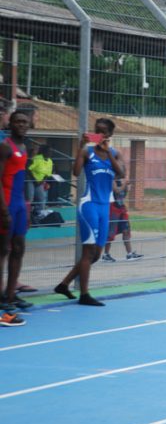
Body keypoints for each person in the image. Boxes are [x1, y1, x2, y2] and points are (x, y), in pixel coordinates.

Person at [54, 118, 124, 306]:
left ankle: (64, 284)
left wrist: (108, 152)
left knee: (96, 254)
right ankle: (84, 295)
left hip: (104, 207)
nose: (99, 134)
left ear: (109, 135)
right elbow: (76, 172)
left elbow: (121, 174)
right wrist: (80, 147)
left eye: (103, 132)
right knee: (88, 252)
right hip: (89, 205)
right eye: (97, 131)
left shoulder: (115, 154)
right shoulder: (88, 152)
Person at [0, 112, 35, 325]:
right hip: (7, 205)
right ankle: (2, 300)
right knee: (3, 250)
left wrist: (26, 209)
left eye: (25, 121)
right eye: (17, 122)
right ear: (10, 124)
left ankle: (10, 295)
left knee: (19, 248)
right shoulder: (5, 147)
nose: (22, 125)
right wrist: (3, 210)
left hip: (20, 204)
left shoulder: (24, 148)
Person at [101, 178, 143, 262]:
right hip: (112, 209)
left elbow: (122, 195)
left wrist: (127, 187)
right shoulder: (111, 180)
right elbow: (117, 191)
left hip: (121, 209)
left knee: (126, 230)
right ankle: (106, 254)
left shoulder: (121, 181)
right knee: (110, 233)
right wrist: (124, 185)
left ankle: (129, 254)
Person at [28, 144, 54, 217]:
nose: (50, 153)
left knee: (41, 198)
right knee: (30, 197)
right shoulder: (37, 158)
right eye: (49, 151)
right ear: (44, 151)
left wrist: (42, 181)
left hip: (40, 181)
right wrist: (35, 180)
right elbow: (29, 169)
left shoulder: (50, 161)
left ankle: (38, 214)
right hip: (31, 179)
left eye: (51, 151)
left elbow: (48, 174)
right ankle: (26, 214)